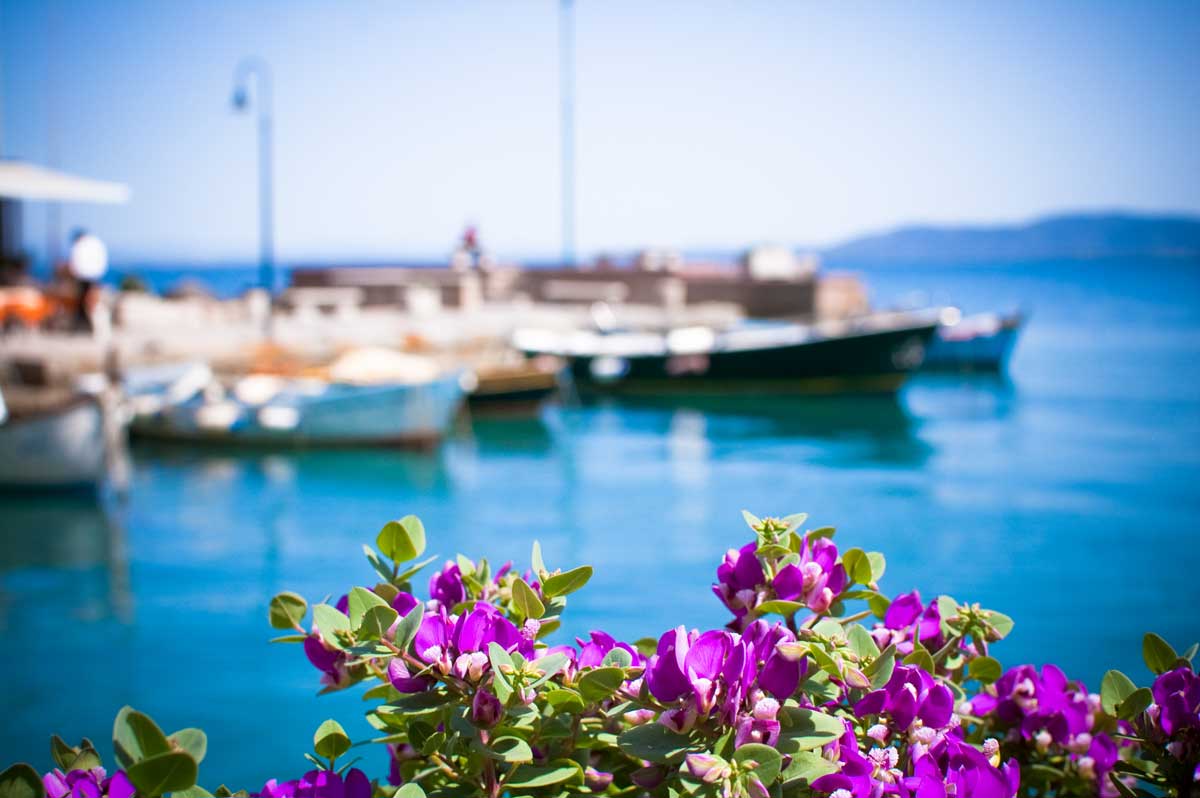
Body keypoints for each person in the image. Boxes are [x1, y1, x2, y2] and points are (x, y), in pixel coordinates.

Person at [67, 228, 108, 332]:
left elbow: (75, 263)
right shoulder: (96, 243)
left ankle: (83, 324)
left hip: (83, 277)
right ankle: (87, 325)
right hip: (95, 276)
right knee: (90, 302)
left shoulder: (80, 246)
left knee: (84, 302)